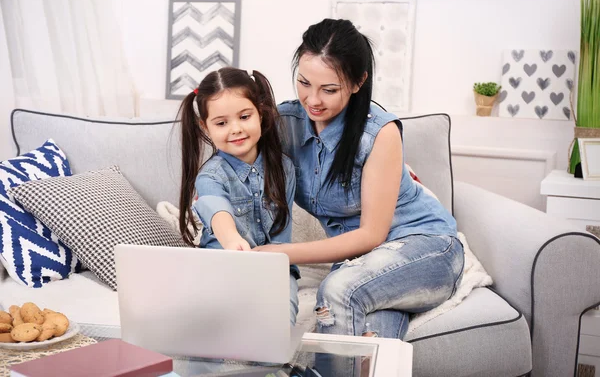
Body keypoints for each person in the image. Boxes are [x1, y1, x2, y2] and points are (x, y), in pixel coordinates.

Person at [253, 19, 465, 375]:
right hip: (365, 266)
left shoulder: (379, 132)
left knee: (340, 290)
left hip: (427, 247)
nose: (313, 99)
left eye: (329, 89)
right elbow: (239, 163)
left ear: (358, 82)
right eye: (304, 82)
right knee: (372, 343)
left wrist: (281, 253)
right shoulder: (286, 122)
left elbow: (371, 235)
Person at [177, 67, 299, 325]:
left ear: (260, 113)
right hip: (221, 267)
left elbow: (281, 239)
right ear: (205, 127)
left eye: (244, 116)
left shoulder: (284, 168)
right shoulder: (210, 176)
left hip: (272, 268)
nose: (235, 129)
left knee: (279, 321)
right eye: (221, 123)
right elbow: (216, 209)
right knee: (212, 323)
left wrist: (267, 267)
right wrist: (232, 240)